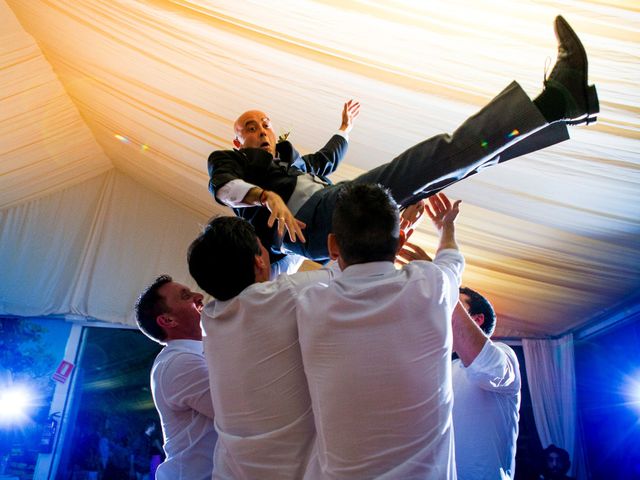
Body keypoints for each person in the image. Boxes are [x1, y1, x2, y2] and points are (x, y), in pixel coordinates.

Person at [208, 16, 597, 263]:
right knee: (431, 159)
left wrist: (345, 127)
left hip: (338, 217)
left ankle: (554, 116)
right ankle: (555, 102)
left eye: (265, 123)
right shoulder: (234, 162)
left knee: (448, 171)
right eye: (250, 126)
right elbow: (225, 188)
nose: (261, 129)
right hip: (314, 223)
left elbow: (328, 157)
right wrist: (264, 196)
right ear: (237, 140)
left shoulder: (294, 163)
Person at [295, 184, 464, 478]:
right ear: (399, 244)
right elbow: (452, 261)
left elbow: (335, 273)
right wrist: (445, 228)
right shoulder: (430, 286)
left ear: (333, 246)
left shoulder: (311, 305)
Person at [187, 214, 345, 479]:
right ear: (259, 260)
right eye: (263, 248)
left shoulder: (211, 319)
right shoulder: (280, 296)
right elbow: (342, 271)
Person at [135, 276, 218, 480]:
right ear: (168, 320)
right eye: (186, 296)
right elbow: (240, 412)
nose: (199, 296)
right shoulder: (178, 363)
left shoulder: (203, 352)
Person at [450, 286, 522, 479]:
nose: (441, 306)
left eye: (451, 301)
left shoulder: (504, 353)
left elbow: (487, 369)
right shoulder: (446, 369)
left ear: (477, 319)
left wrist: (444, 286)